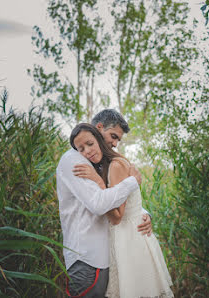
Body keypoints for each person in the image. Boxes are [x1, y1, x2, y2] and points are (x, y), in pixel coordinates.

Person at [71, 123, 173, 298]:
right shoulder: (104, 165)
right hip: (123, 238)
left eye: (90, 144)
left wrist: (98, 182)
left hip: (129, 240)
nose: (87, 151)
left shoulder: (115, 165)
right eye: (81, 149)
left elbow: (117, 216)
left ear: (97, 139)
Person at [57, 110, 152, 297]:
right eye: (113, 136)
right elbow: (99, 204)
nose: (115, 144)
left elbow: (115, 197)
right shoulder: (74, 160)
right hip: (86, 257)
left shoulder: (99, 162)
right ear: (99, 128)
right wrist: (132, 182)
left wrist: (143, 213)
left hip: (105, 256)